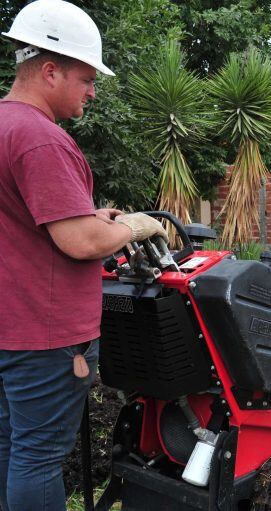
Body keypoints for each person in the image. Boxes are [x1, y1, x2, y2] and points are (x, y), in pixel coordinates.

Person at [0, 1, 167, 510]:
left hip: (9, 327)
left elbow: (29, 223)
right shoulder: (40, 138)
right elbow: (79, 242)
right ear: (50, 70)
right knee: (39, 457)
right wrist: (137, 224)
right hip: (44, 334)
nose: (93, 91)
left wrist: (93, 217)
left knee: (10, 448)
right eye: (86, 78)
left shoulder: (5, 125)